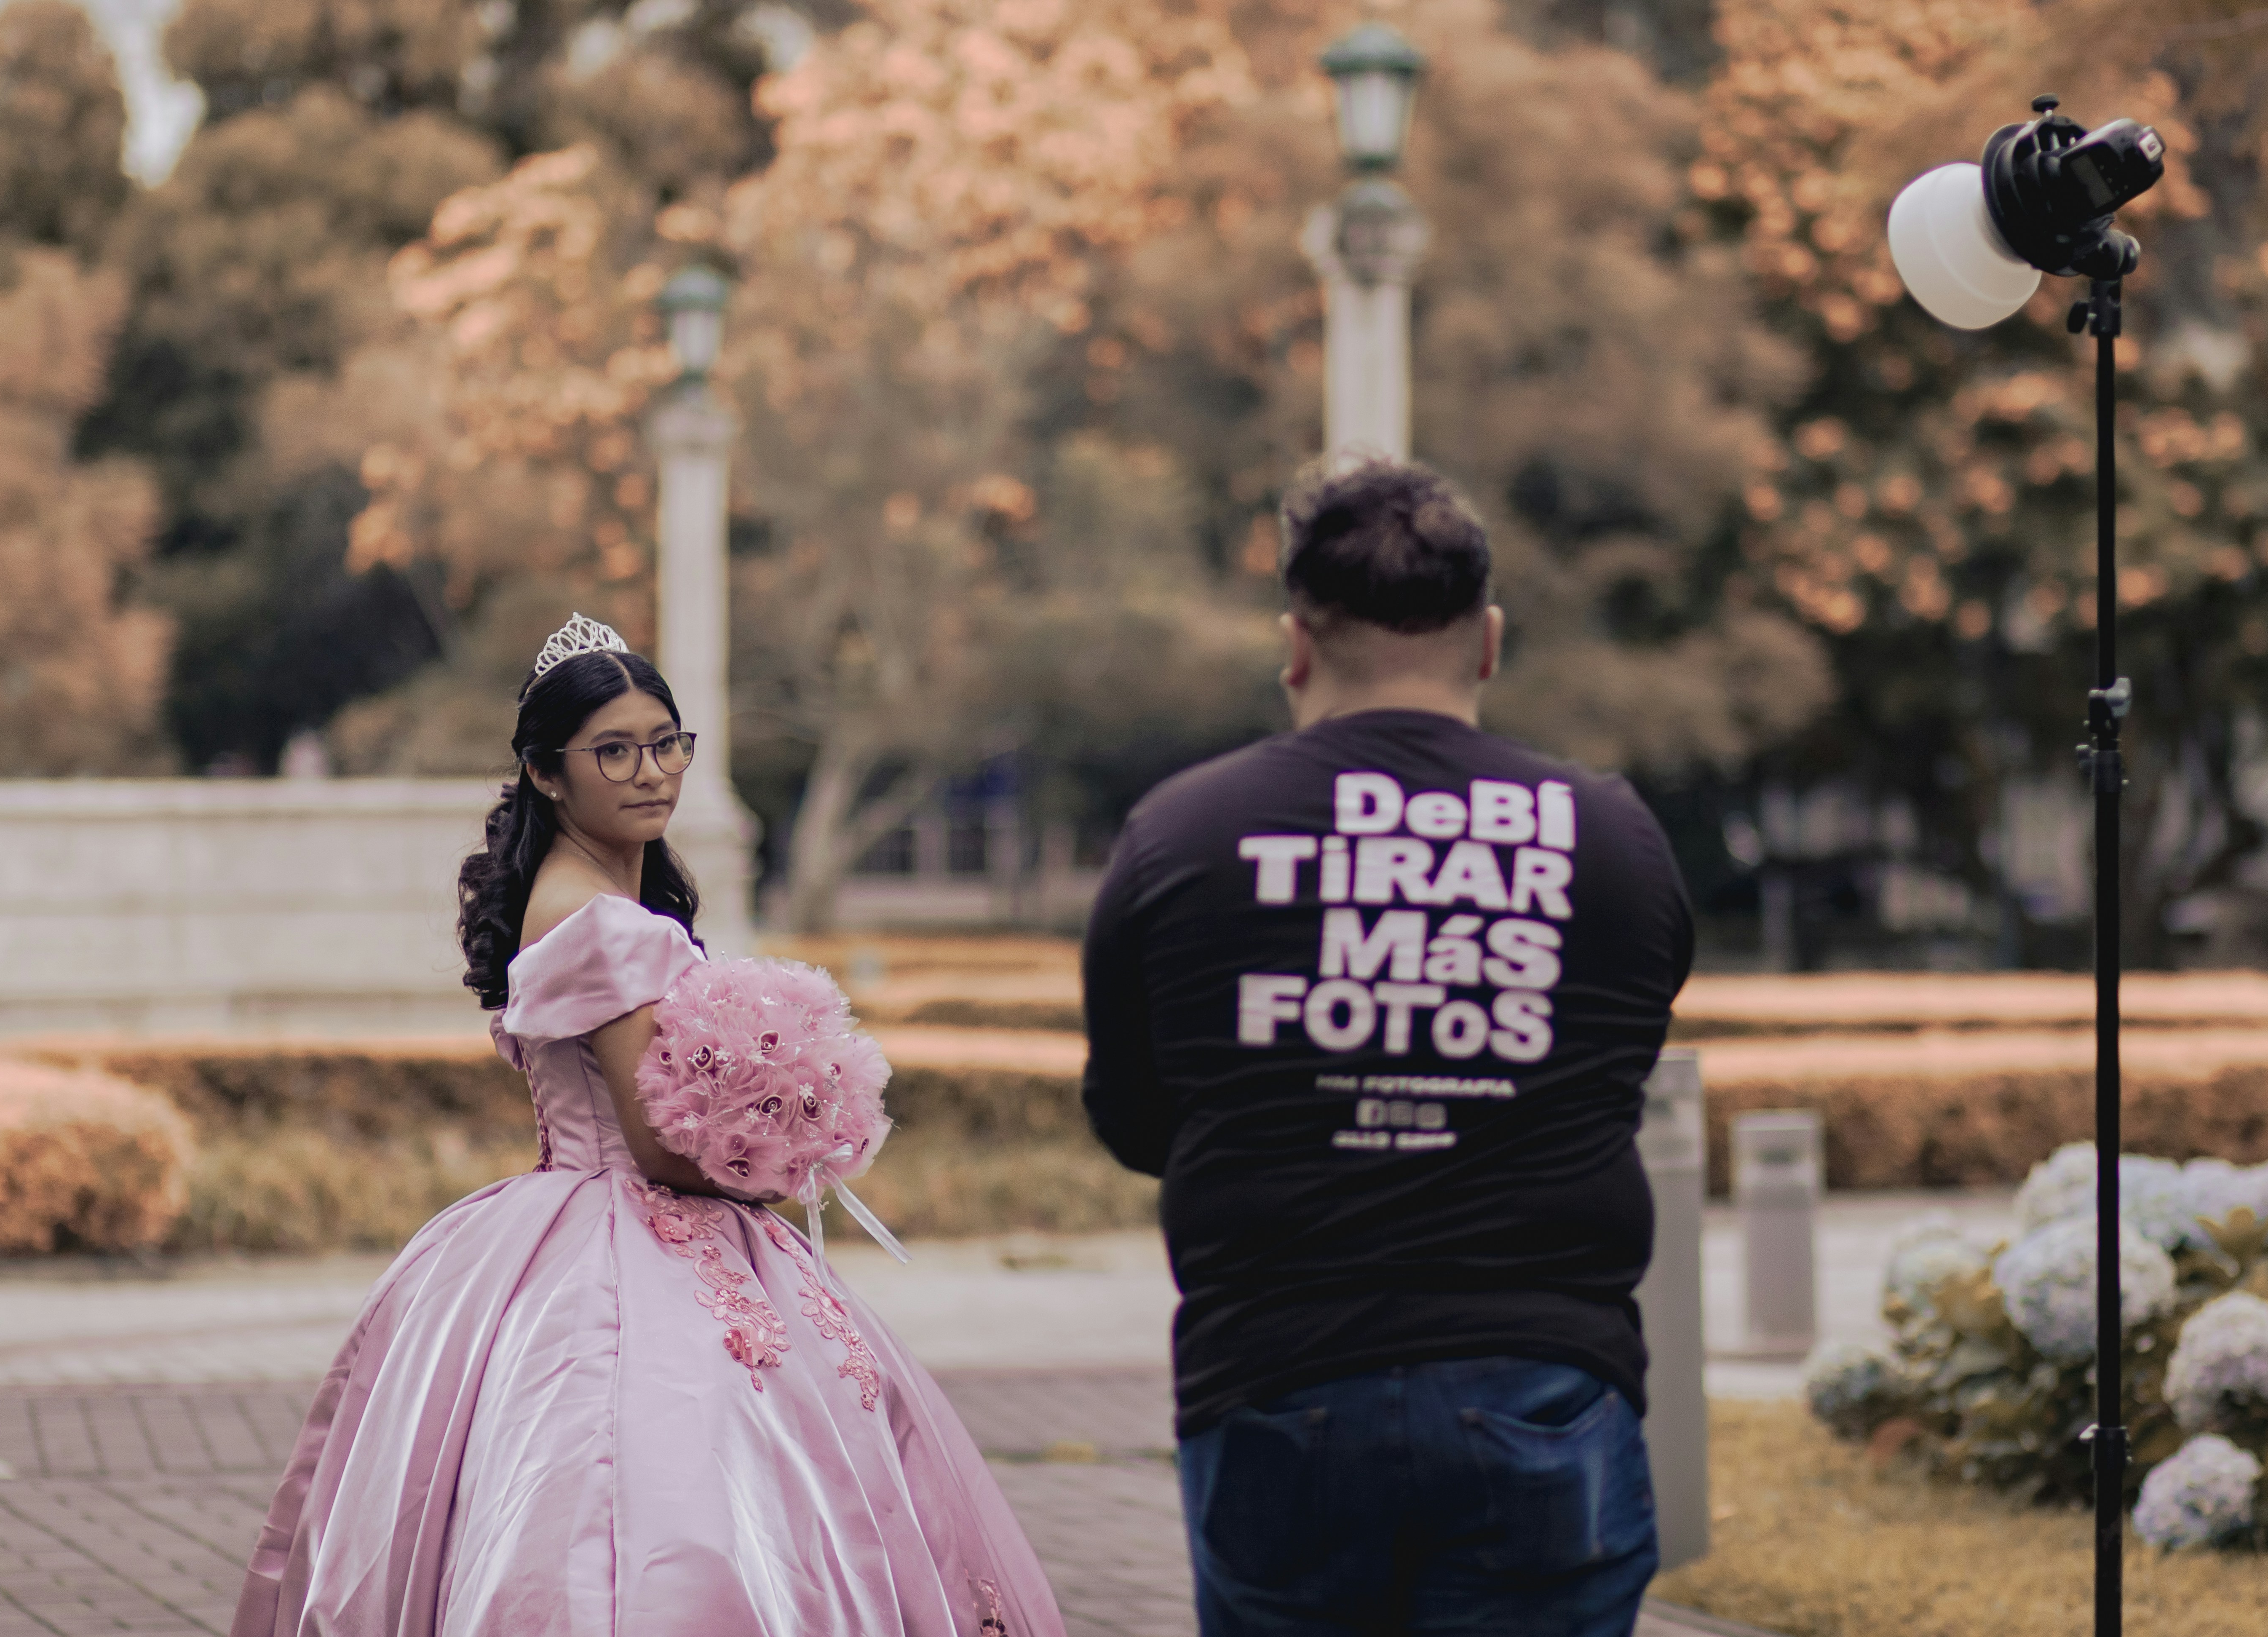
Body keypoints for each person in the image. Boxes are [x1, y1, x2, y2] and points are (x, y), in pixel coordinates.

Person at [231, 613, 1061, 1637]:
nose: (650, 771)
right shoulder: (606, 925)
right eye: (614, 750)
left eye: (666, 743)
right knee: (661, 1487)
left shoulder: (585, 895)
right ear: (545, 772)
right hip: (629, 1232)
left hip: (567, 1218)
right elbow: (662, 1142)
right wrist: (775, 1149)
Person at [1080, 463, 1693, 1637]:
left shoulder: (1182, 832)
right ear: (1489, 640)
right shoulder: (1610, 835)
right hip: (1544, 1385)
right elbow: (1615, 1064)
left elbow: (1135, 1115)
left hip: (1275, 1378)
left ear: (1293, 644)